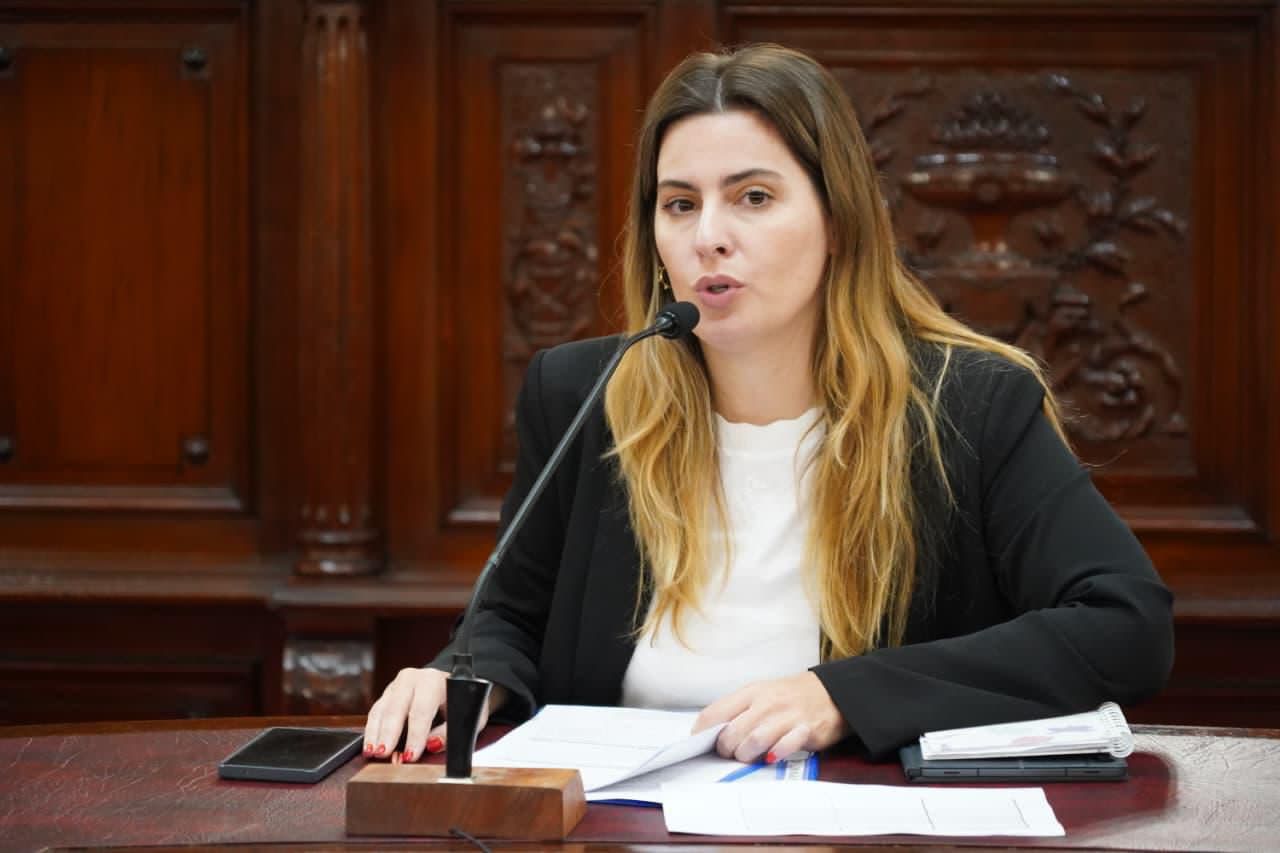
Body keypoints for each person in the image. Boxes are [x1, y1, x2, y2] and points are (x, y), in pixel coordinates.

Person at [363, 43, 1174, 766]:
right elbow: (510, 617)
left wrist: (843, 694)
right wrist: (460, 677)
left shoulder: (968, 406)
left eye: (752, 197)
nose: (708, 237)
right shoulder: (586, 395)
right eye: (680, 204)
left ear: (838, 221)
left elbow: (1127, 625)